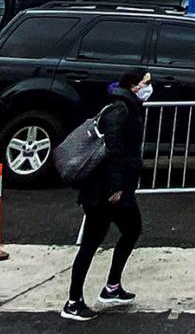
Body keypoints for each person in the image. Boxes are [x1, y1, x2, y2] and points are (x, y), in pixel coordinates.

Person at [62, 66, 150, 321]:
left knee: (132, 230)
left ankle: (111, 287)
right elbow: (113, 153)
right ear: (134, 86)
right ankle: (73, 301)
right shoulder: (119, 111)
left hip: (115, 188)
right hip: (104, 192)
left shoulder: (128, 107)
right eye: (145, 83)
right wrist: (115, 189)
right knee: (91, 243)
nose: (148, 88)